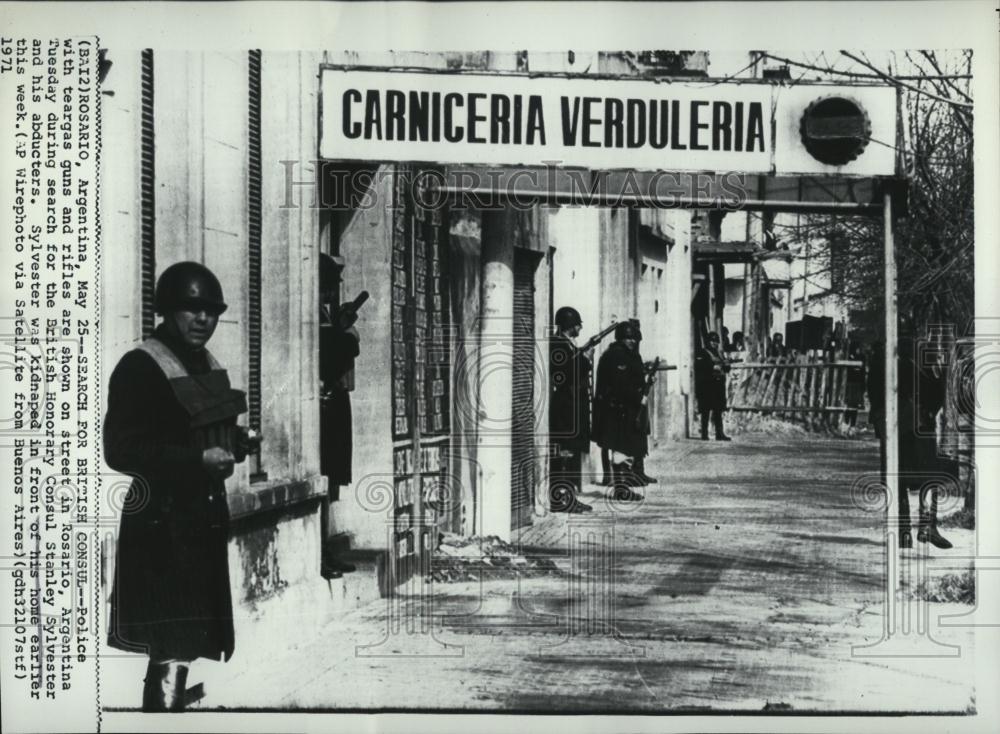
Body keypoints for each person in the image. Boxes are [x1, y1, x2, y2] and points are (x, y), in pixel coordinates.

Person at [104, 262, 257, 712]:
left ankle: (170, 709)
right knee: (169, 642)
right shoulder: (141, 365)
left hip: (200, 522)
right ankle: (163, 716)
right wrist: (196, 460)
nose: (202, 319)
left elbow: (199, 431)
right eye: (191, 310)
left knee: (188, 640)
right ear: (168, 311)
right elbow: (120, 449)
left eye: (210, 311)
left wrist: (236, 442)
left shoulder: (205, 363)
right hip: (160, 527)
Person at [867, 339, 953, 549]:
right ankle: (922, 527)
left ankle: (908, 530)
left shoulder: (883, 360)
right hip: (915, 425)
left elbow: (873, 394)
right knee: (923, 475)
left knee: (901, 477)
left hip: (900, 425)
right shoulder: (914, 361)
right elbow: (935, 391)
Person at [319, 253, 360, 576]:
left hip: (334, 403)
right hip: (325, 404)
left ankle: (327, 548)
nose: (332, 294)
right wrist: (343, 333)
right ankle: (322, 552)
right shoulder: (314, 316)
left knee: (332, 479)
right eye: (330, 286)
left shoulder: (324, 315)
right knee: (326, 474)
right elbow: (331, 355)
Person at [592, 321, 647, 502]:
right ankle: (621, 489)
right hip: (617, 410)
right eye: (628, 338)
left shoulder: (622, 354)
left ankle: (622, 488)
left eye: (633, 338)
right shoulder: (618, 356)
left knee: (624, 449)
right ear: (621, 339)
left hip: (621, 409)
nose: (631, 341)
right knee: (621, 450)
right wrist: (638, 397)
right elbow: (621, 386)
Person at [548, 306, 594, 513]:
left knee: (571, 453)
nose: (579, 328)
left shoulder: (567, 344)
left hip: (573, 406)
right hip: (566, 407)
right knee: (564, 454)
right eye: (577, 324)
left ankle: (569, 496)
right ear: (570, 325)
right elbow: (568, 372)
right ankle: (561, 499)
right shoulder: (558, 345)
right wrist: (586, 358)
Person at [695, 331, 732, 441]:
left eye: (716, 342)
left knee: (718, 410)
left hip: (718, 385)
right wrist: (712, 367)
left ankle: (719, 434)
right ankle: (704, 434)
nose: (715, 344)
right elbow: (700, 367)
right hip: (707, 385)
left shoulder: (719, 353)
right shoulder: (702, 353)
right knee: (706, 410)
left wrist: (726, 365)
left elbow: (726, 369)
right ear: (708, 342)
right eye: (712, 341)